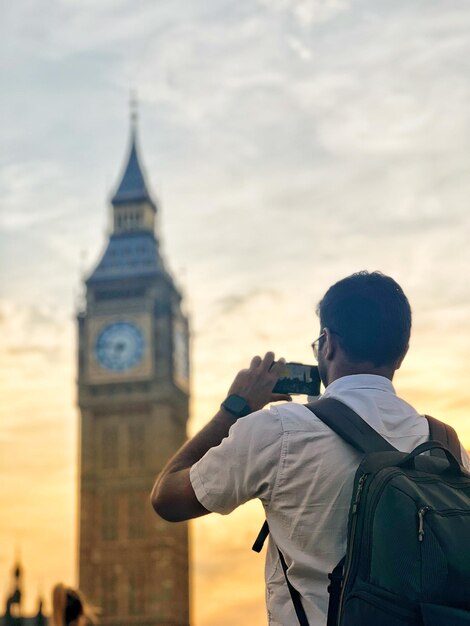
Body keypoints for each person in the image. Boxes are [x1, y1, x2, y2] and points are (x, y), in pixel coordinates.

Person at [151, 271, 470, 626]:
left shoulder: (279, 431)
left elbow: (167, 498)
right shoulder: (452, 452)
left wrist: (233, 409)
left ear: (327, 342)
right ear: (402, 354)